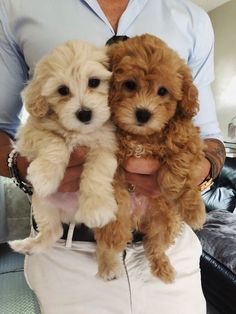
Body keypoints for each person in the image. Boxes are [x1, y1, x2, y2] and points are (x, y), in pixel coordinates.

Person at [0, 0, 226, 313]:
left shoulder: (192, 19)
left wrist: (191, 175)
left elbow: (208, 135)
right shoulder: (16, 7)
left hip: (168, 242)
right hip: (71, 250)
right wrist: (25, 165)